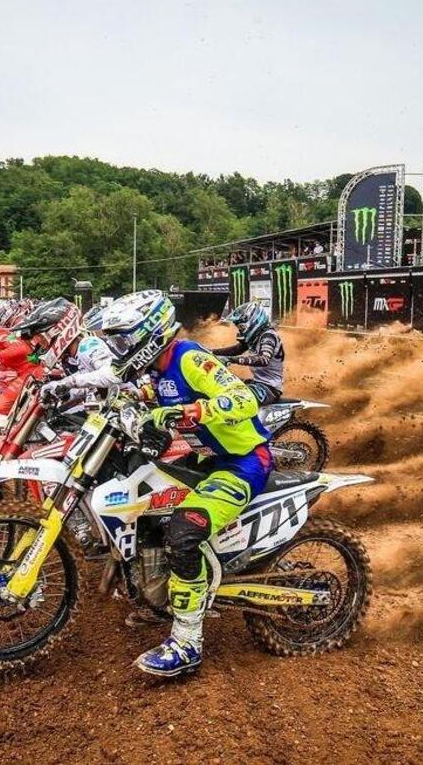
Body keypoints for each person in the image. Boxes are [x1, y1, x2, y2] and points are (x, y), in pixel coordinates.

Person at [102, 290, 273, 677]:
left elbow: (244, 399)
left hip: (244, 461)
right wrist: (129, 400)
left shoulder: (190, 358)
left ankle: (187, 642)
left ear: (149, 334)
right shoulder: (159, 369)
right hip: (205, 459)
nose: (120, 350)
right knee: (148, 503)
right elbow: (156, 391)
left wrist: (197, 410)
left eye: (125, 341)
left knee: (182, 532)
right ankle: (157, 596)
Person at [211, 301, 284, 405]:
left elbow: (263, 359)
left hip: (269, 388)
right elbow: (236, 350)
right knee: (223, 384)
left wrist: (231, 360)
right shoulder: (255, 337)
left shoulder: (268, 336)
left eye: (241, 327)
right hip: (258, 383)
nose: (240, 330)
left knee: (234, 399)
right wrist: (210, 352)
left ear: (254, 320)